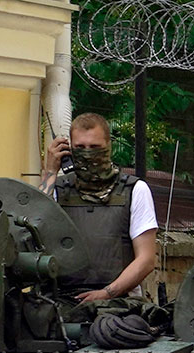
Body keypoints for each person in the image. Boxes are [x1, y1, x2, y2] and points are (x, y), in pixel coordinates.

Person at [40, 112, 159, 304]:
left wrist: (106, 293)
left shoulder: (135, 190)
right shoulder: (58, 189)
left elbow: (146, 260)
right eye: (80, 147)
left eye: (95, 147)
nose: (87, 153)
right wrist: (50, 172)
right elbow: (36, 226)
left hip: (119, 303)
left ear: (108, 146)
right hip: (63, 301)